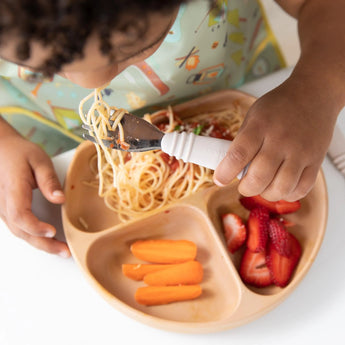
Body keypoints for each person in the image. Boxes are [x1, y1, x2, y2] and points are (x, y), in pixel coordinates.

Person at [0, 0, 343, 257]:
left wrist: (316, 89)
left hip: (240, 87)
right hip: (51, 128)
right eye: (46, 65)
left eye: (133, 48)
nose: (94, 83)